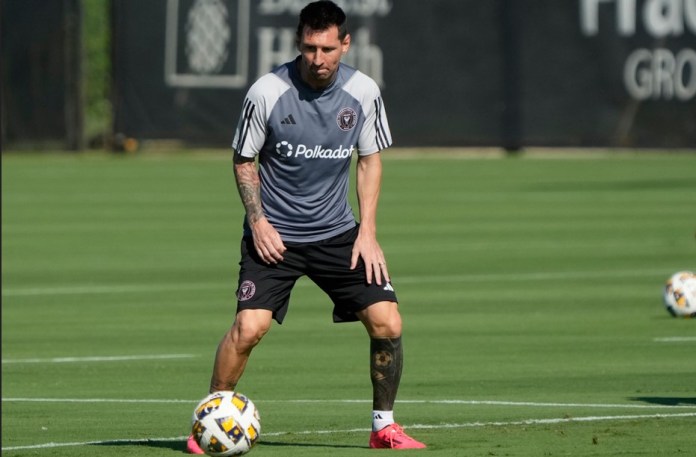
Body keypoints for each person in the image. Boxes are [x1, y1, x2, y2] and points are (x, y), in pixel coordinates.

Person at [187, 0, 425, 451]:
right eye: (310, 48)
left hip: (338, 233)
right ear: (299, 42)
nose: (318, 59)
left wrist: (368, 233)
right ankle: (210, 422)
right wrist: (258, 223)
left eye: (328, 49)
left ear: (345, 43)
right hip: (275, 236)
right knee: (248, 329)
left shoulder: (364, 92)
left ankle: (383, 427)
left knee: (388, 321)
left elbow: (370, 160)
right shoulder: (266, 92)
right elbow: (244, 159)